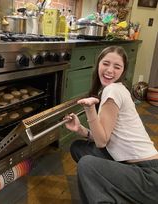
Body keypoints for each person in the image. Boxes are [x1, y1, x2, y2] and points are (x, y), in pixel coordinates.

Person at [64, 46, 158, 204]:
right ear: (98, 64)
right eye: (106, 63)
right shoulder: (112, 89)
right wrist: (81, 130)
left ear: (123, 71)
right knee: (79, 148)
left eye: (117, 67)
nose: (110, 70)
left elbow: (101, 142)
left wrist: (89, 108)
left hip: (149, 176)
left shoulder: (113, 90)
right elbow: (105, 137)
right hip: (132, 166)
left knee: (87, 165)